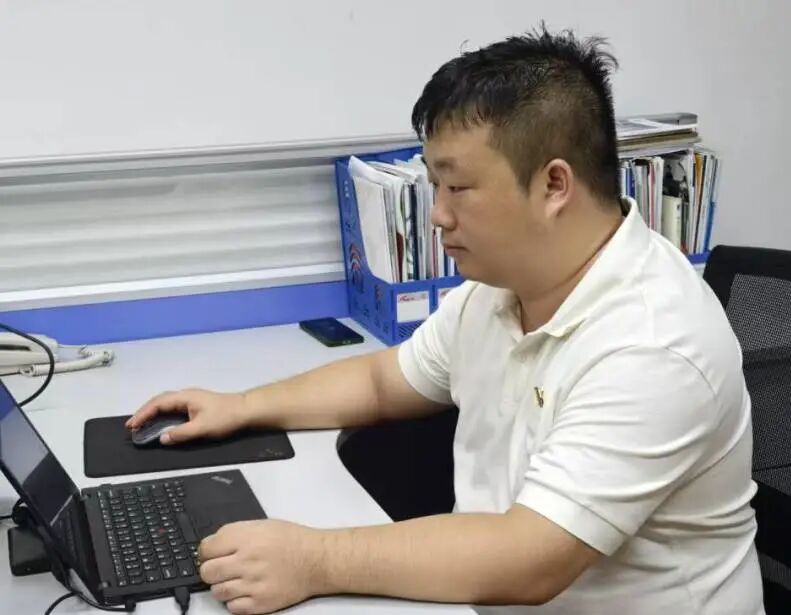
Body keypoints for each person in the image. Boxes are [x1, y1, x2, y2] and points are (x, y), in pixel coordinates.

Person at [127, 25, 764, 615]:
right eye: (433, 185)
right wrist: (243, 406)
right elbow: (383, 382)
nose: (436, 215)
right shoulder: (499, 288)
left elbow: (530, 558)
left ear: (554, 186)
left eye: (456, 188)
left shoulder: (654, 343)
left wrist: (314, 559)